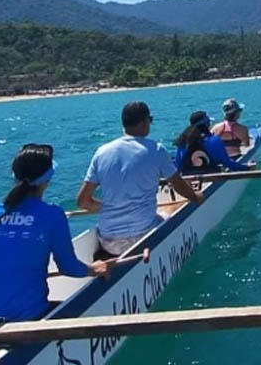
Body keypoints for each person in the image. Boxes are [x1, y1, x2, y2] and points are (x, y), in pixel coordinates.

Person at [0, 144, 110, 325]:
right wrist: (94, 269)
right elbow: (68, 267)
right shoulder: (52, 215)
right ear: (47, 180)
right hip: (29, 319)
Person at [77, 101, 204, 256]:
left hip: (108, 242)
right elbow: (179, 186)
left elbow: (83, 202)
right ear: (144, 122)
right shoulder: (155, 149)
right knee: (173, 207)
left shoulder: (101, 152)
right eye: (149, 120)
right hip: (142, 238)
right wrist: (196, 197)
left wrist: (110, 207)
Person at [175, 110, 250, 173]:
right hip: (211, 176)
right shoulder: (214, 140)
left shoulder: (182, 142)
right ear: (206, 124)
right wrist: (247, 168)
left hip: (187, 178)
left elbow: (178, 167)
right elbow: (228, 163)